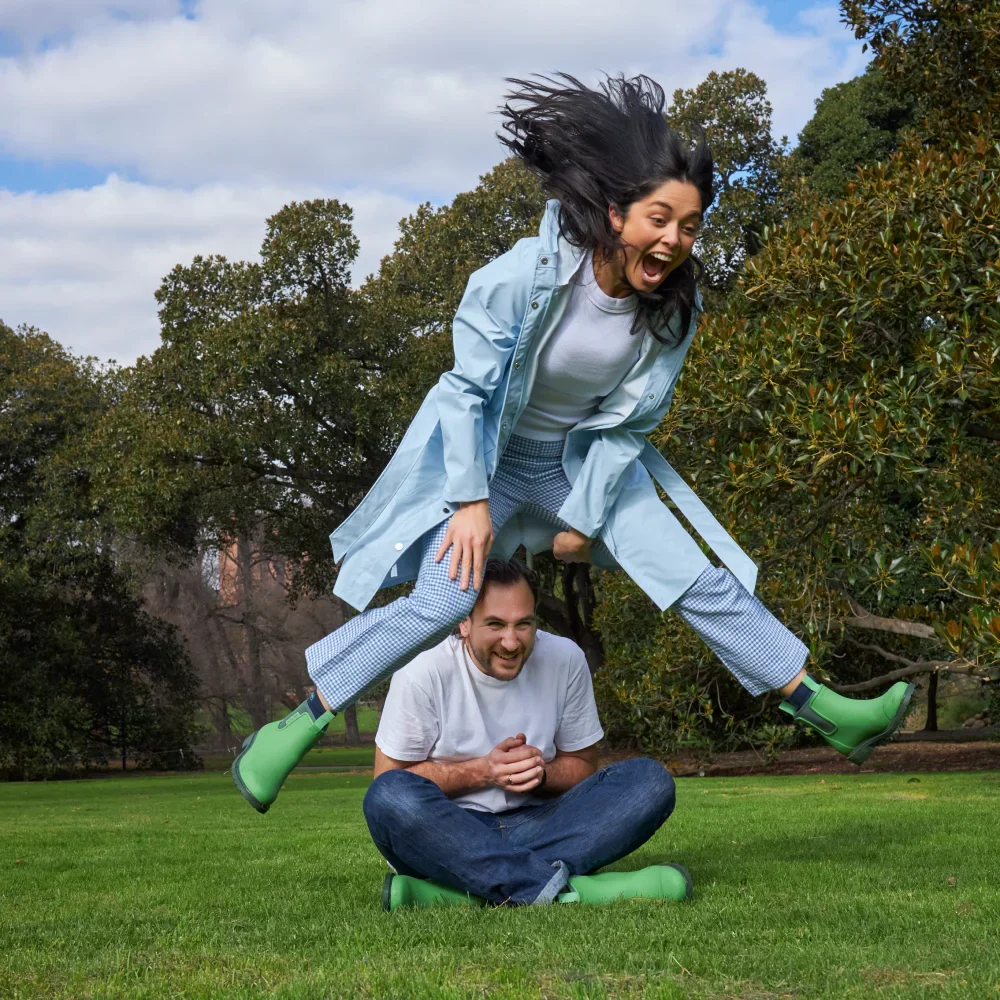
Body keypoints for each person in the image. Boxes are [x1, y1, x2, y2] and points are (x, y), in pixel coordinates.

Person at [232, 73, 913, 816]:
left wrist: (585, 515)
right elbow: (463, 395)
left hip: (579, 468)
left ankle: (824, 710)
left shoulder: (672, 313)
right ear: (617, 214)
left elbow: (630, 423)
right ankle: (293, 730)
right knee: (442, 600)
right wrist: (469, 502)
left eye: (690, 227)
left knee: (693, 574)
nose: (674, 240)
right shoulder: (519, 277)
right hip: (490, 463)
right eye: (660, 218)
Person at [365, 557, 692, 910]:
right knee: (389, 797)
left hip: (541, 824)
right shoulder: (422, 669)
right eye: (495, 624)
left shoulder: (565, 659)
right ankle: (563, 890)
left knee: (650, 782)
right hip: (451, 830)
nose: (511, 642)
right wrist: (483, 771)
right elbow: (389, 780)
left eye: (524, 624)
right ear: (464, 621)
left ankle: (473, 885)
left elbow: (582, 766)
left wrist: (541, 774)